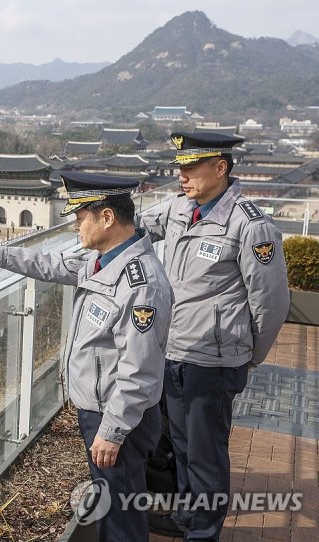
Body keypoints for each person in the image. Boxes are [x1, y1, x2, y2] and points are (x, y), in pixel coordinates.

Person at [0, 172, 173, 541]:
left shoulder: (140, 284)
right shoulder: (104, 260)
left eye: (79, 218)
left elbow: (140, 372)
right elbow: (52, 264)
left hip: (116, 416)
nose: (75, 227)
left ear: (107, 218)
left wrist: (113, 431)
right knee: (113, 504)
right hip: (100, 409)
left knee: (120, 513)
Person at [138, 132, 290, 540]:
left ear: (220, 168)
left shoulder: (249, 224)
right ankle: (188, 516)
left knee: (206, 455)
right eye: (179, 168)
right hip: (175, 351)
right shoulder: (179, 210)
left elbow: (271, 302)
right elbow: (130, 226)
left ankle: (203, 533)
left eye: (190, 168)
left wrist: (248, 354)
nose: (181, 177)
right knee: (185, 447)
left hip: (215, 360)